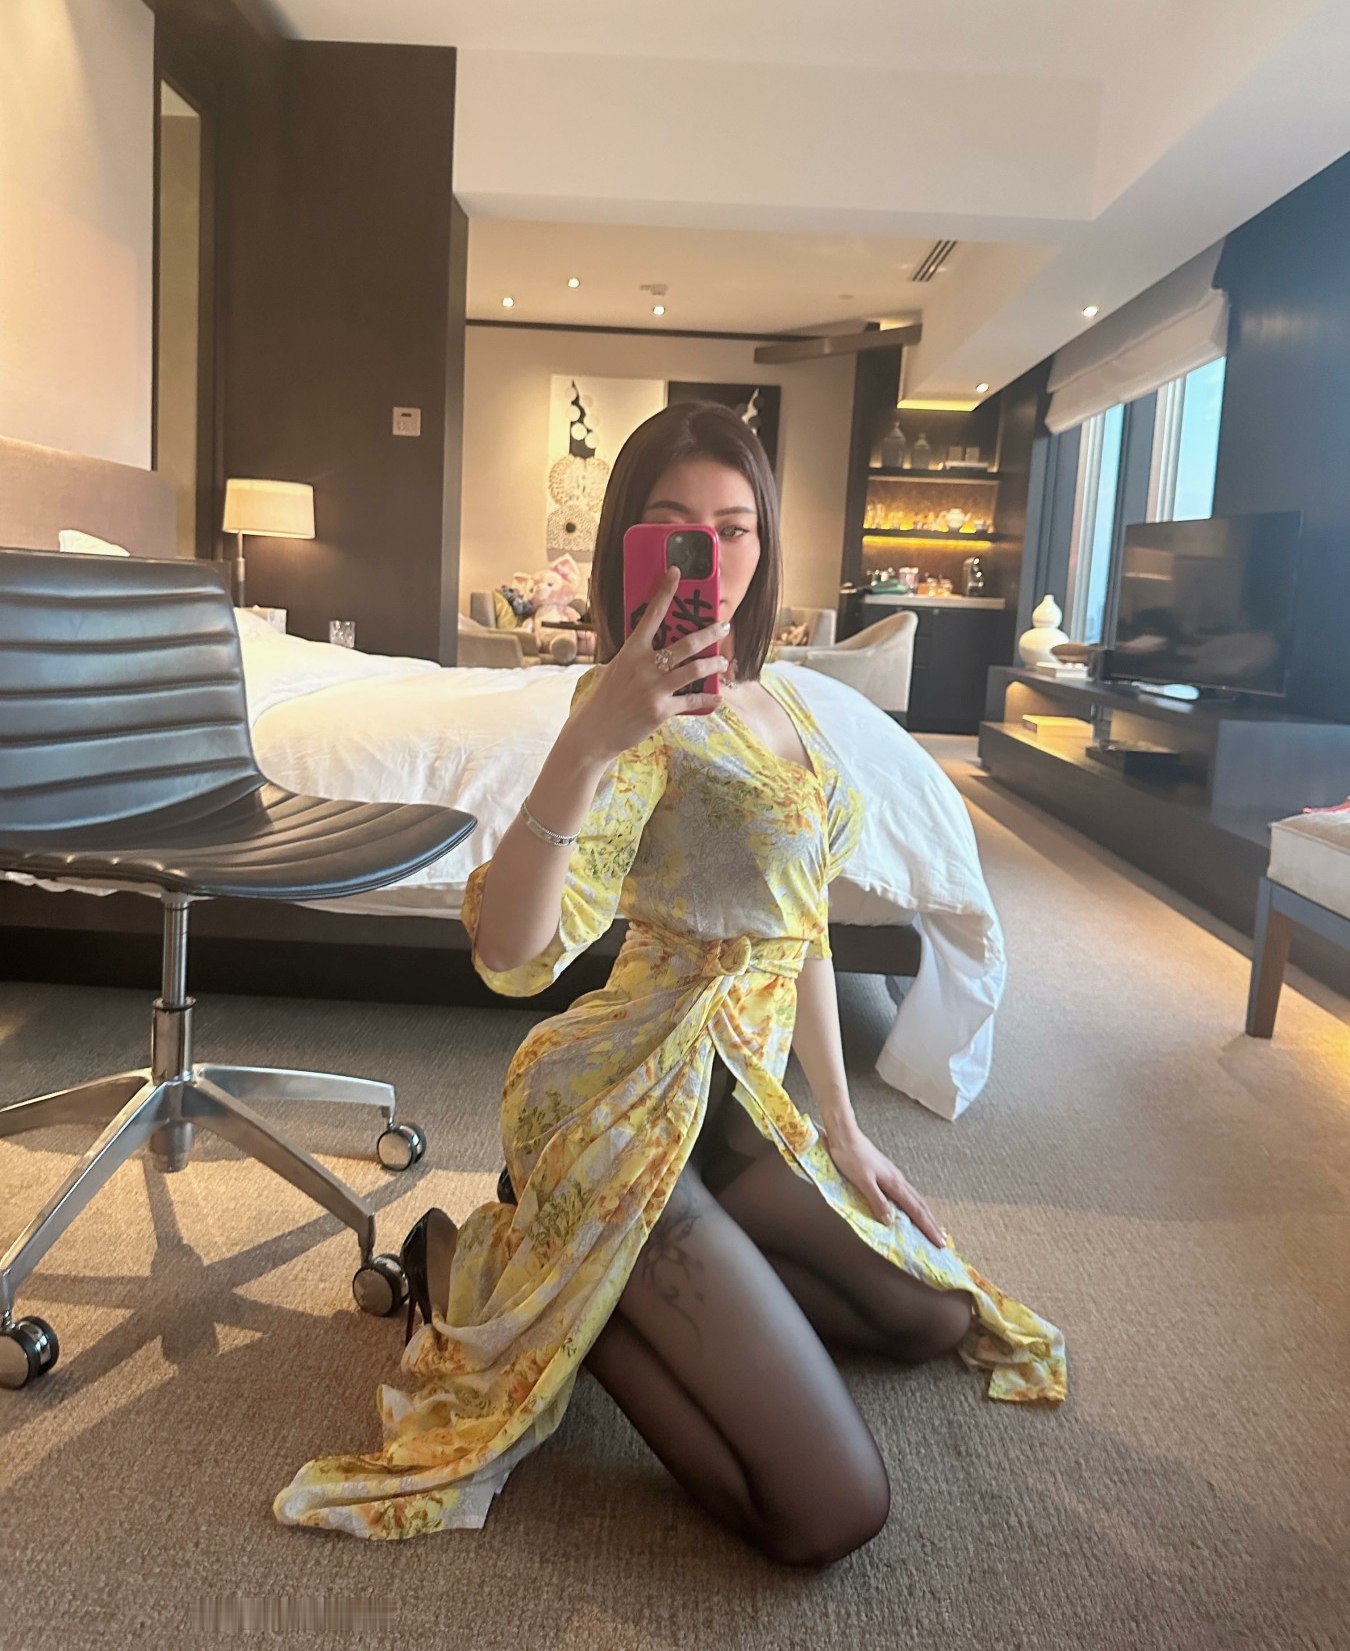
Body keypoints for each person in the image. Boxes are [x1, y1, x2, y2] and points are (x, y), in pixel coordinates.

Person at [274, 402, 1066, 1561]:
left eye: (735, 528)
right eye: (676, 527)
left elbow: (800, 928)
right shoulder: (629, 721)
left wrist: (844, 1133)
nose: (711, 557)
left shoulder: (786, 701)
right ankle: (499, 1270)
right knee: (830, 1509)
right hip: (625, 1104)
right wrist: (589, 738)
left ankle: (576, 1279)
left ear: (765, 542)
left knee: (930, 1316)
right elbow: (512, 950)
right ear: (630, 547)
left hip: (737, 1106)